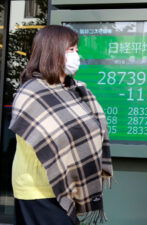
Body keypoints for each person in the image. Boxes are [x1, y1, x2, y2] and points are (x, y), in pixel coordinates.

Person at [9, 25, 113, 225]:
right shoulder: (32, 92)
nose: (77, 56)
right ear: (53, 52)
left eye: (76, 50)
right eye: (71, 50)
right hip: (37, 189)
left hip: (68, 186)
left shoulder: (77, 91)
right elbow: (48, 139)